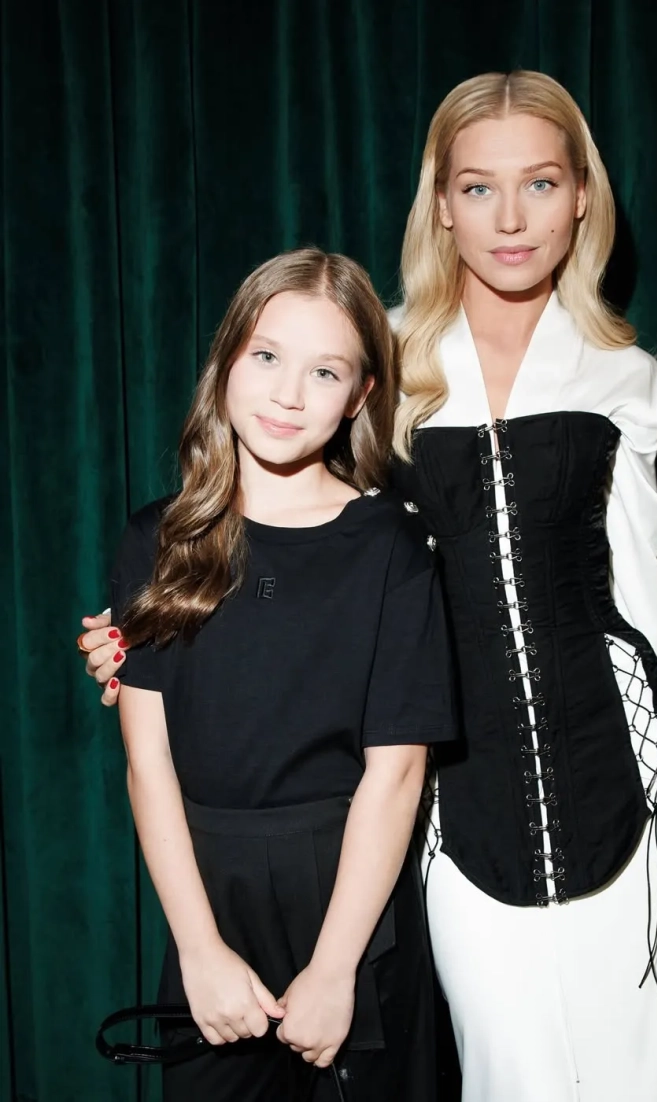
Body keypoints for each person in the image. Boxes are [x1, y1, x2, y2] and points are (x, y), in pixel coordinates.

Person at [79, 72, 657, 1102]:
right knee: (502, 1073)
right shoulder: (377, 349)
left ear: (581, 197)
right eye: (477, 188)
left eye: (540, 183)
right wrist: (153, 631)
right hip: (450, 801)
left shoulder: (623, 374)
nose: (510, 219)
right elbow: (291, 539)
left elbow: (638, 605)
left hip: (624, 776)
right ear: (441, 202)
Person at [101, 248, 455, 1102]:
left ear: (360, 396)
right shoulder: (156, 540)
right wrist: (199, 950)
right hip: (207, 899)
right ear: (226, 359)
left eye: (324, 371)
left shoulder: (392, 546)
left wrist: (335, 970)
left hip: (354, 904)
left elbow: (397, 773)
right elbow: (148, 762)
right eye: (266, 356)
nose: (289, 394)